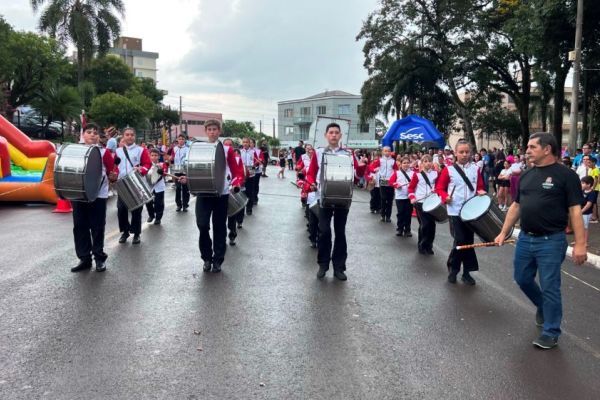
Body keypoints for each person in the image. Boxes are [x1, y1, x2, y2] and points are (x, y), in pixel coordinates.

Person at [495, 132, 587, 350]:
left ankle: (551, 331)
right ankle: (543, 307)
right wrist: (503, 232)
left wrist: (581, 244)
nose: (527, 150)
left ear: (547, 149)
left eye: (532, 147)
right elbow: (516, 206)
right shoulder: (526, 175)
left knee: (550, 286)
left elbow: (575, 211)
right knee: (522, 278)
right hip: (526, 239)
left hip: (551, 241)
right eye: (527, 146)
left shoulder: (567, 176)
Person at [304, 123, 365, 280]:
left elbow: (357, 175)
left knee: (340, 232)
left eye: (336, 133)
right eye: (331, 132)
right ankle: (323, 264)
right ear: (326, 135)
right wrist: (311, 184)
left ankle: (339, 267)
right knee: (324, 231)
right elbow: (310, 174)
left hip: (342, 198)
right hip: (322, 197)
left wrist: (362, 168)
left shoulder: (348, 154)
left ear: (340, 136)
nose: (334, 135)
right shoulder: (318, 153)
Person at [181, 119, 244, 273]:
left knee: (219, 227)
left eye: (215, 129)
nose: (212, 132)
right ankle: (206, 258)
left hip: (221, 194)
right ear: (205, 131)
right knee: (202, 225)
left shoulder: (227, 149)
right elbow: (194, 169)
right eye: (209, 129)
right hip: (203, 193)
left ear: (219, 131)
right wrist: (187, 179)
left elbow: (237, 172)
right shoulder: (199, 148)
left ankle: (217, 260)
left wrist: (236, 183)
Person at [436, 140, 486, 285]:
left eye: (467, 152)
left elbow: (480, 187)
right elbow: (439, 188)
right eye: (461, 152)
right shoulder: (448, 170)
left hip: (471, 212)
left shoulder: (475, 169)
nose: (464, 155)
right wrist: (445, 197)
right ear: (455, 153)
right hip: (455, 211)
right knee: (460, 239)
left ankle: (466, 273)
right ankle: (454, 269)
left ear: (470, 153)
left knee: (468, 242)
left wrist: (481, 192)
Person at [70, 123, 115, 273]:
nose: (93, 135)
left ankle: (99, 258)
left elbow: (113, 170)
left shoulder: (104, 152)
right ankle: (84, 259)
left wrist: (114, 175)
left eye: (95, 132)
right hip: (78, 194)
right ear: (83, 135)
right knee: (80, 227)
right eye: (89, 132)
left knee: (97, 227)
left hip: (98, 194)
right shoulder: (74, 150)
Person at [115, 127, 152, 245]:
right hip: (122, 183)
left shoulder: (141, 150)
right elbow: (115, 166)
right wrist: (114, 175)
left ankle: (136, 234)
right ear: (123, 136)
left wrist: (141, 170)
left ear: (135, 136)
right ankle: (125, 232)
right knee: (121, 209)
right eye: (127, 134)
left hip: (136, 182)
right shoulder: (118, 151)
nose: (129, 137)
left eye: (132, 134)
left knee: (137, 209)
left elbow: (148, 164)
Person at [408, 155, 438, 255]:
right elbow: (411, 188)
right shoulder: (417, 175)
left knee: (432, 225)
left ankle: (429, 246)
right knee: (425, 224)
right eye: (425, 161)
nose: (428, 163)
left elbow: (440, 186)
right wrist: (412, 198)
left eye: (429, 161)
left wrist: (436, 190)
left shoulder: (436, 174)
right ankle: (422, 245)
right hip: (420, 203)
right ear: (422, 163)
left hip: (432, 202)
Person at [369, 146, 397, 222]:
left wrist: (394, 177)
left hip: (390, 181)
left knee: (390, 199)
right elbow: (371, 168)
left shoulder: (393, 161)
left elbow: (396, 170)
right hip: (383, 180)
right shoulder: (380, 160)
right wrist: (375, 170)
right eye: (385, 151)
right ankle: (382, 215)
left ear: (390, 152)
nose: (387, 152)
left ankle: (388, 216)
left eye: (388, 151)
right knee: (383, 198)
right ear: (383, 152)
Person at [389, 156, 415, 237]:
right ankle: (400, 229)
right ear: (401, 164)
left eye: (407, 163)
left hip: (409, 197)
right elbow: (391, 181)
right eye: (404, 163)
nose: (406, 164)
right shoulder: (397, 173)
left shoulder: (413, 173)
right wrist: (396, 185)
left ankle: (407, 230)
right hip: (400, 196)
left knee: (408, 213)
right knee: (400, 213)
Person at [146, 148, 168, 225]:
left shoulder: (162, 164)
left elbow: (165, 172)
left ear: (158, 156)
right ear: (149, 156)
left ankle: (158, 218)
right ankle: (151, 215)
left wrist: (162, 171)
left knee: (159, 203)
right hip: (149, 187)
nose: (154, 157)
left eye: (156, 155)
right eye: (152, 155)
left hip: (159, 187)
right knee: (148, 202)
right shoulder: (147, 165)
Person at [240, 137, 258, 217]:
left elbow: (257, 163)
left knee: (250, 192)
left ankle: (249, 208)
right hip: (242, 175)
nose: (245, 144)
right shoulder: (240, 152)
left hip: (251, 174)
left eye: (247, 142)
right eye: (243, 142)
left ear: (249, 143)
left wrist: (253, 167)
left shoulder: (253, 152)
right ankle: (241, 209)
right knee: (242, 192)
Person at [171, 134, 190, 212]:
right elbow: (171, 160)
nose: (181, 140)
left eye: (182, 139)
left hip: (185, 171)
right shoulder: (174, 149)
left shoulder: (188, 149)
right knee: (178, 188)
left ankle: (185, 205)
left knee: (185, 188)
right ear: (177, 140)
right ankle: (179, 205)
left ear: (185, 140)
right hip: (176, 170)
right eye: (179, 139)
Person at [580, 176, 596, 246]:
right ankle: (579, 240)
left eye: (583, 183)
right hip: (581, 212)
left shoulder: (592, 193)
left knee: (585, 228)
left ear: (589, 185)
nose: (581, 184)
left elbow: (588, 204)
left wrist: (581, 211)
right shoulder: (583, 191)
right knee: (580, 227)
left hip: (586, 213)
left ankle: (585, 242)